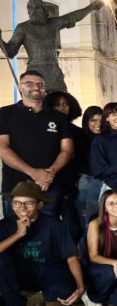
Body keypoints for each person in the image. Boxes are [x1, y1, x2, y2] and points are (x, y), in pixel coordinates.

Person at [0, 182, 85, 306]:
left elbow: (71, 256)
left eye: (28, 203)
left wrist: (80, 287)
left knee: (66, 290)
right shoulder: (5, 225)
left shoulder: (53, 224)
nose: (22, 208)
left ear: (40, 205)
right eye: (17, 203)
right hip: (20, 275)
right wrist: (18, 234)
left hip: (49, 273)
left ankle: (52, 298)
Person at [0, 70, 73, 219]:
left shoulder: (58, 117)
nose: (36, 87)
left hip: (50, 188)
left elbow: (67, 150)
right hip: (15, 189)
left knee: (49, 234)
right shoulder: (5, 114)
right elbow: (2, 148)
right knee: (16, 235)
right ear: (20, 88)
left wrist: (49, 174)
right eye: (29, 83)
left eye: (40, 84)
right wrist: (33, 173)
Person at [43, 90, 84, 241]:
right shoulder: (44, 131)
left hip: (71, 187)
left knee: (73, 227)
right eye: (57, 105)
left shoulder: (78, 133)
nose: (62, 108)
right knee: (49, 225)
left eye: (65, 104)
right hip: (48, 186)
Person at [76, 106, 104, 233]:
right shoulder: (80, 137)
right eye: (93, 120)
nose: (98, 124)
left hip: (104, 179)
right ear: (86, 121)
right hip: (87, 179)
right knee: (86, 215)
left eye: (101, 120)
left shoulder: (107, 138)